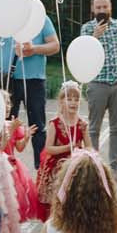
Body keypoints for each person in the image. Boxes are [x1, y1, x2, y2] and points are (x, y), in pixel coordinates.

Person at [0, 3, 57, 172]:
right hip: (9, 79)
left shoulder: (41, 18)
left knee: (38, 125)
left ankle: (42, 168)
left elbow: (55, 45)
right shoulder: (4, 16)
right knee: (5, 123)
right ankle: (3, 163)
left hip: (34, 79)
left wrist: (34, 49)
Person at [80, 0, 117, 184]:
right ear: (93, 9)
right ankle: (94, 169)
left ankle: (114, 169)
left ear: (110, 7)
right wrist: (94, 36)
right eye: (98, 7)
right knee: (94, 129)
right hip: (97, 83)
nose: (102, 10)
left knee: (116, 128)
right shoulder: (86, 28)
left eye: (105, 6)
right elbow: (83, 54)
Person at [37, 82, 89, 217]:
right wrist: (67, 147)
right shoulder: (55, 123)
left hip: (76, 165)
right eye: (69, 99)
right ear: (61, 101)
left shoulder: (81, 123)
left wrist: (85, 135)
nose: (73, 102)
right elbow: (48, 148)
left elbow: (89, 148)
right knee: (57, 203)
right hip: (58, 167)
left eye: (76, 99)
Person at [0, 114, 41, 221]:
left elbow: (19, 148)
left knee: (15, 197)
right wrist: (11, 129)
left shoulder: (13, 124)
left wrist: (26, 137)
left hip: (12, 166)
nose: (7, 107)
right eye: (5, 105)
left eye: (9, 105)